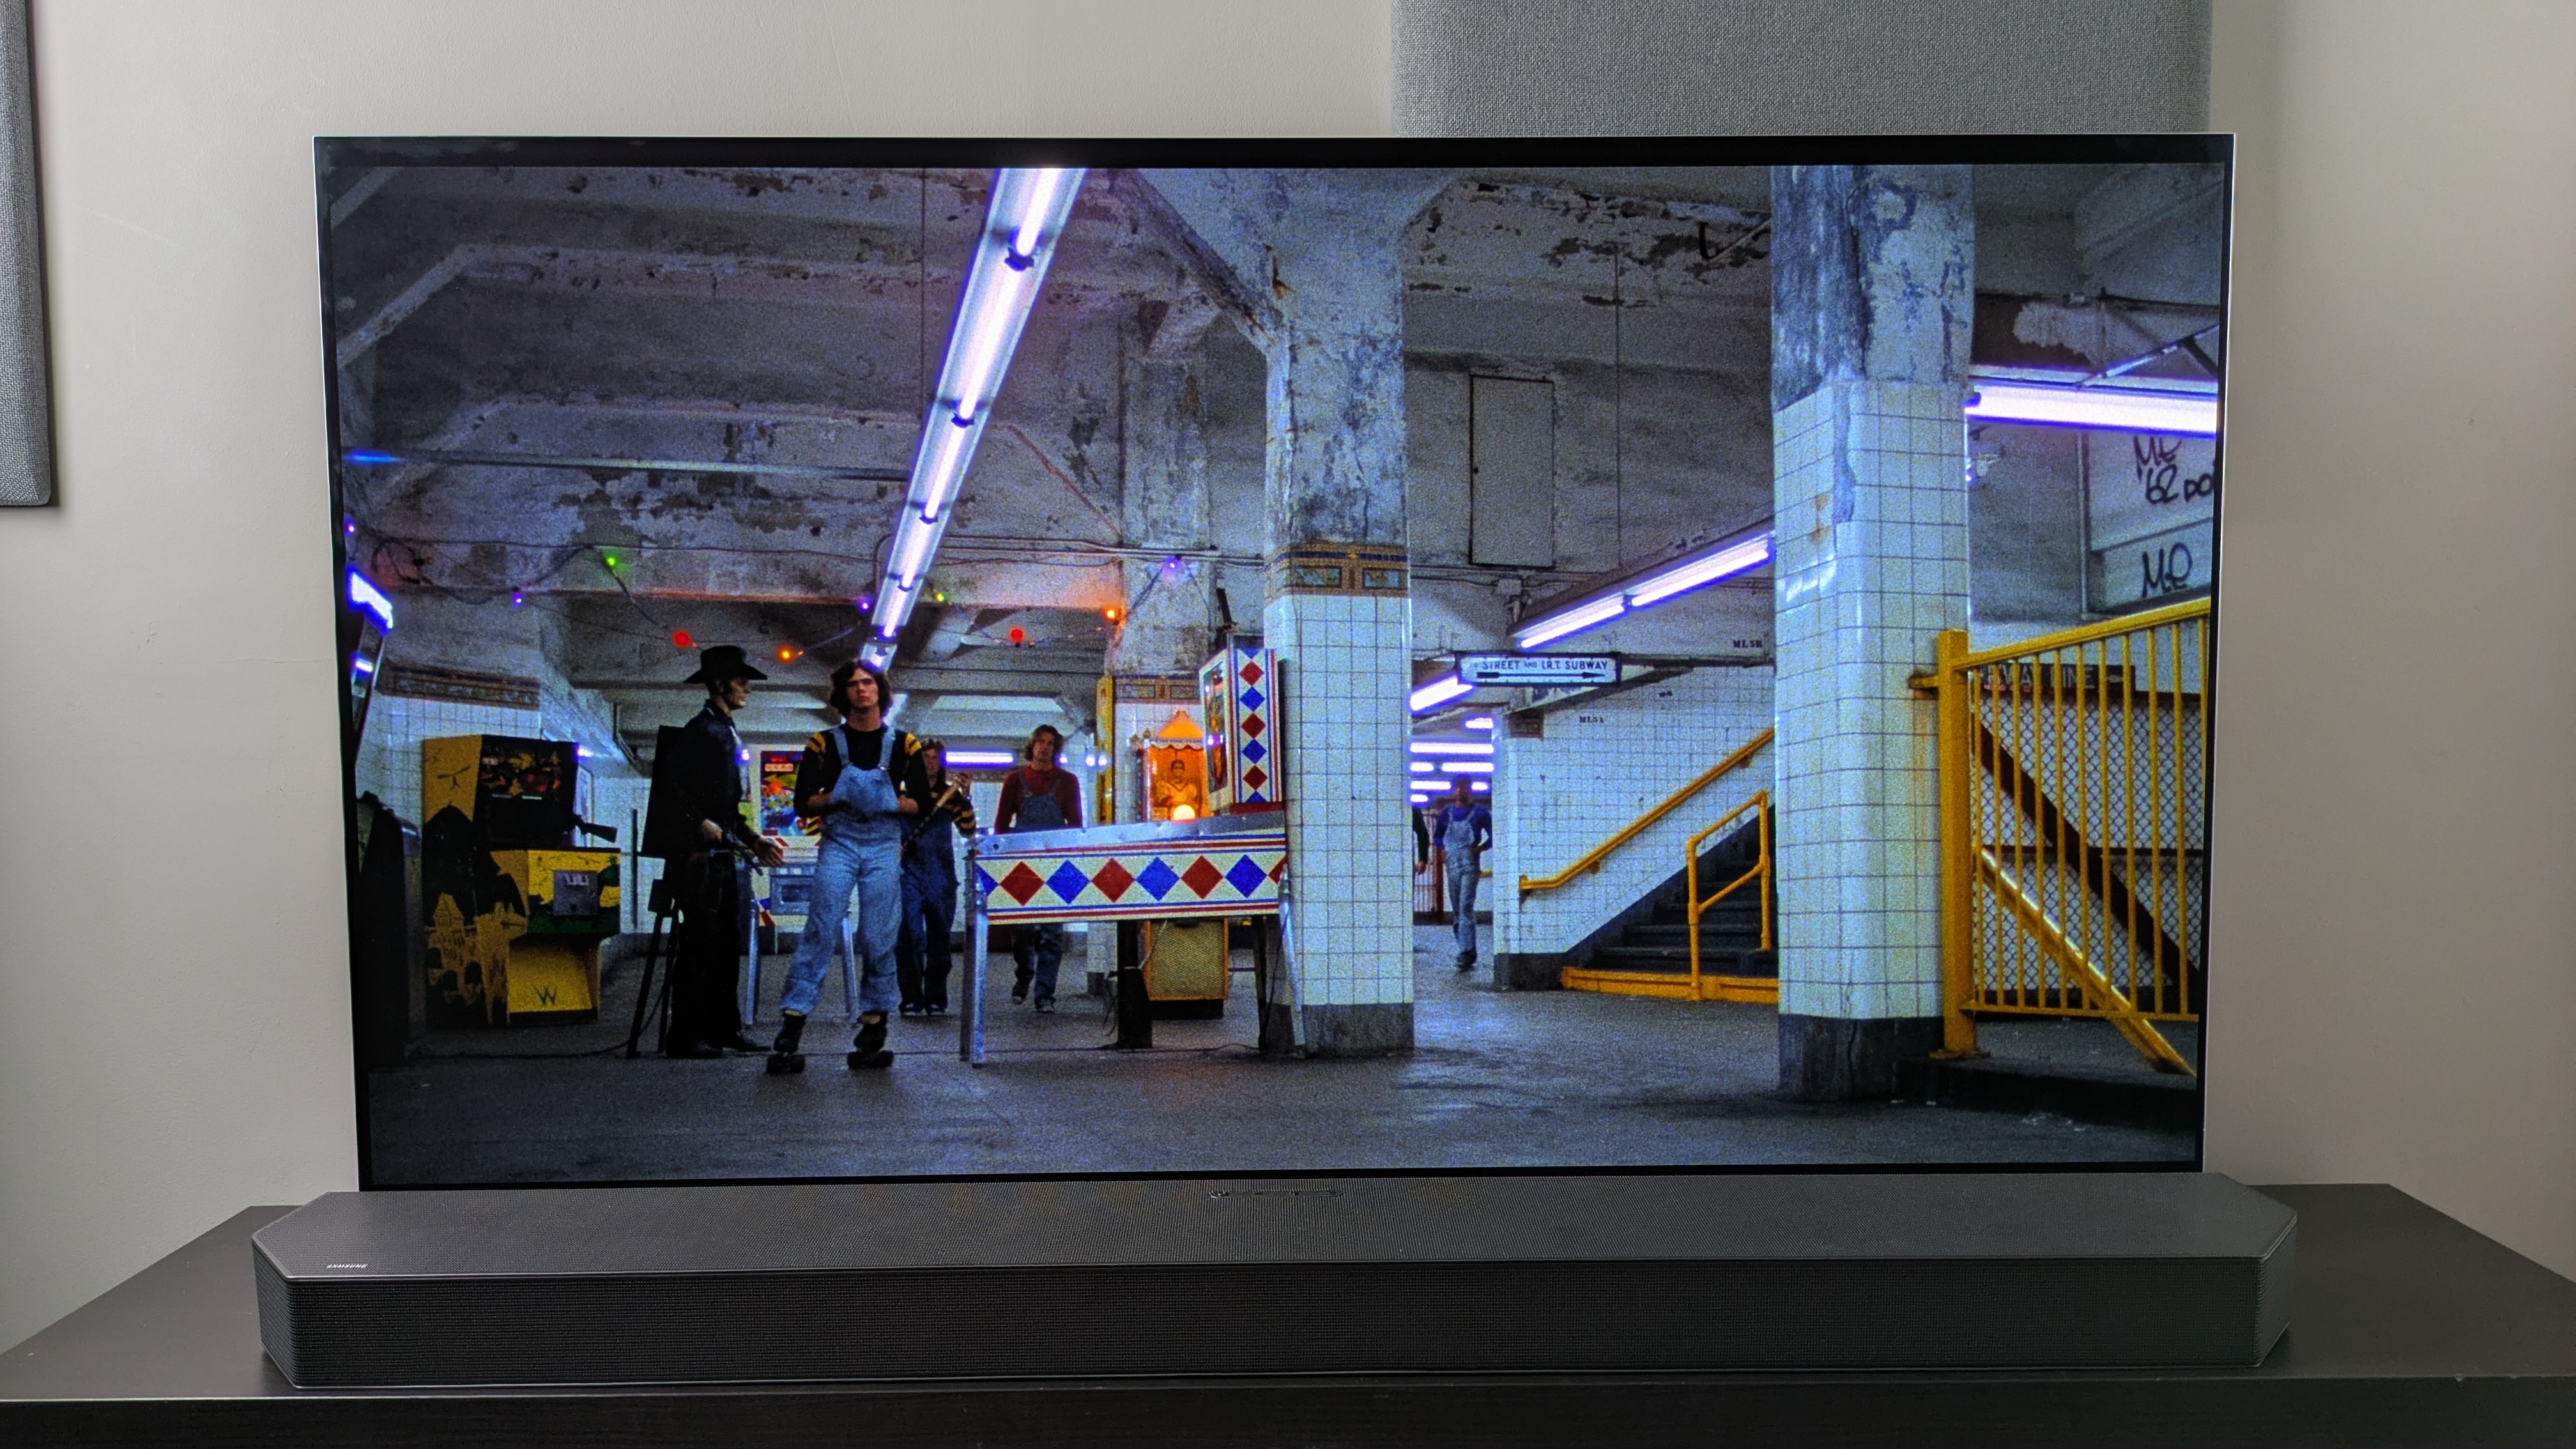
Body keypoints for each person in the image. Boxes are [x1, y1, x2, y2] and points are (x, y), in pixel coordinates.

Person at [767, 659, 935, 1071]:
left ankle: (874, 1025)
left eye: (868, 682)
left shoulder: (905, 745)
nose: (862, 689)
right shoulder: (822, 744)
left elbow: (922, 805)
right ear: (842, 694)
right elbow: (803, 802)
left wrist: (882, 802)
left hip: (883, 845)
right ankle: (793, 1019)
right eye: (853, 684)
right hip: (838, 843)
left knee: (879, 935)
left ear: (880, 690)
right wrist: (841, 798)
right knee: (821, 928)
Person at [660, 645, 786, 1057]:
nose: (747, 687)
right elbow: (671, 788)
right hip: (698, 861)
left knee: (724, 947)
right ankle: (686, 1036)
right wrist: (699, 822)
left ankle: (723, 1029)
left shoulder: (726, 730)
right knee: (699, 948)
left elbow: (728, 810)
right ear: (719, 684)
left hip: (721, 858)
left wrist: (752, 839)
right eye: (740, 680)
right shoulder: (701, 730)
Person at [991, 723, 1084, 1011]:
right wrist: (1001, 862)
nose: (1044, 747)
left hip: (1055, 864)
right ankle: (1024, 975)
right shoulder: (1014, 780)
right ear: (1031, 746)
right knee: (1023, 930)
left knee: (1052, 932)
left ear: (1056, 749)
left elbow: (1076, 825)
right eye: (1040, 742)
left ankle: (1045, 995)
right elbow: (1002, 825)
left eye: (1050, 743)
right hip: (1022, 865)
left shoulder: (1068, 782)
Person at [897, 739, 976, 1015]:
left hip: (941, 874)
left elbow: (968, 830)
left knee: (940, 938)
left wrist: (966, 797)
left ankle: (936, 998)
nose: (929, 762)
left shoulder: (950, 795)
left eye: (934, 757)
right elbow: (888, 825)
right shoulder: (903, 795)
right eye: (924, 757)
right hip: (908, 873)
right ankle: (910, 998)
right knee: (910, 935)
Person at [1432, 779, 1493, 971]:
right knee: (1458, 909)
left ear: (1470, 790)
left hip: (1469, 864)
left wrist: (1481, 848)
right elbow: (1437, 836)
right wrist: (1441, 850)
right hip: (1452, 865)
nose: (1460, 791)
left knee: (1466, 905)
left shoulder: (1480, 814)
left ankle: (1466, 952)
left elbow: (1494, 835)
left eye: (1464, 787)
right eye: (1457, 787)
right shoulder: (1446, 814)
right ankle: (1468, 950)